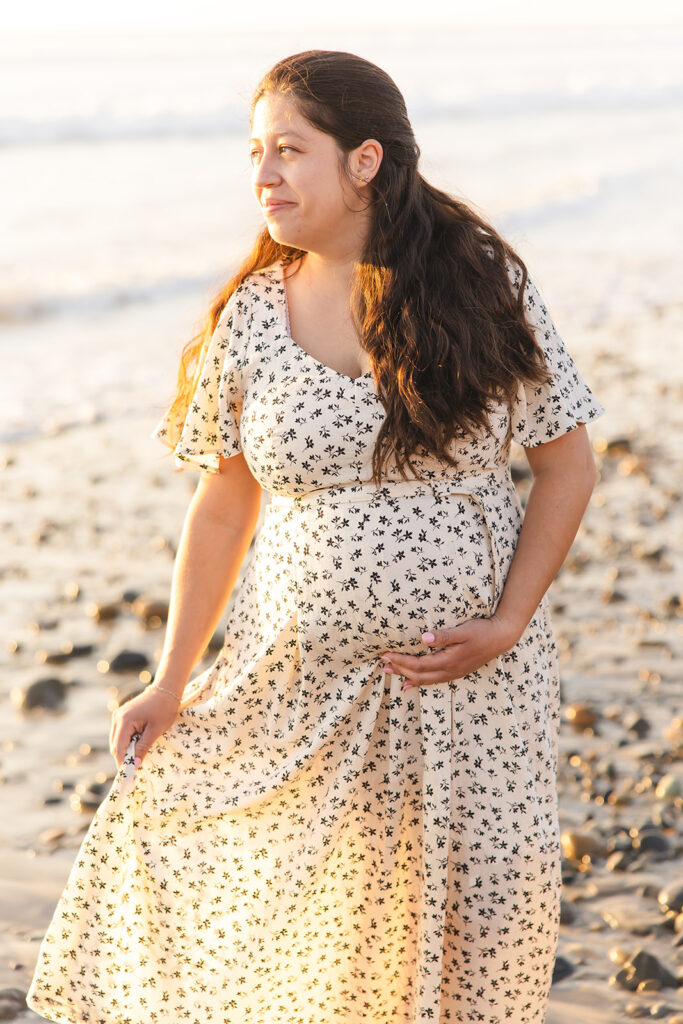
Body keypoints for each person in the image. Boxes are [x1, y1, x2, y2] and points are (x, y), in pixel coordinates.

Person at [26, 49, 604, 1024]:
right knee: (321, 931)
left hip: (465, 687)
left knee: (466, 932)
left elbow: (566, 462)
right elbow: (221, 503)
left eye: (289, 150)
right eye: (254, 152)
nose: (262, 174)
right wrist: (169, 679)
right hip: (294, 688)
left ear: (364, 161)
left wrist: (508, 619)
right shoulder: (251, 316)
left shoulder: (477, 281)